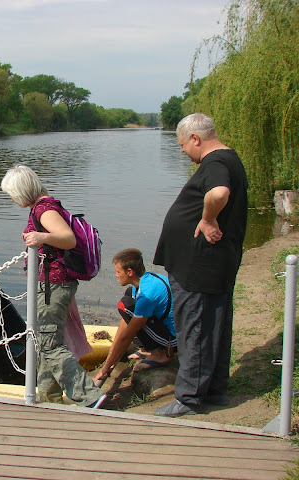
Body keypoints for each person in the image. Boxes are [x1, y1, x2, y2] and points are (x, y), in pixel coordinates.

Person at [153, 113, 248, 417]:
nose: (182, 150)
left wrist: (207, 219)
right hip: (214, 262)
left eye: (182, 144)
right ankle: (215, 389)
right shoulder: (229, 158)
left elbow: (219, 193)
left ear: (196, 138)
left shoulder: (216, 163)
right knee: (216, 323)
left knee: (193, 326)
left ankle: (189, 399)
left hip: (198, 265)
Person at [1, 164, 105, 409]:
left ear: (22, 191)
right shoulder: (44, 206)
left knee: (49, 344)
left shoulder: (44, 209)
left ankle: (90, 396)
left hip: (53, 285)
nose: (12, 199)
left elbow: (68, 239)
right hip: (53, 284)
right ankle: (50, 399)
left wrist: (42, 237)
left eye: (12, 194)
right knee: (43, 341)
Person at [93, 248, 176, 388]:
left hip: (173, 340)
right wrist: (112, 354)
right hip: (167, 327)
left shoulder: (146, 296)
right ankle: (146, 349)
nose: (116, 275)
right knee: (128, 300)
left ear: (129, 272)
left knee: (125, 305)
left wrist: (106, 368)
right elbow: (125, 322)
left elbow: (128, 334)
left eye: (118, 272)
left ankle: (160, 354)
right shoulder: (148, 279)